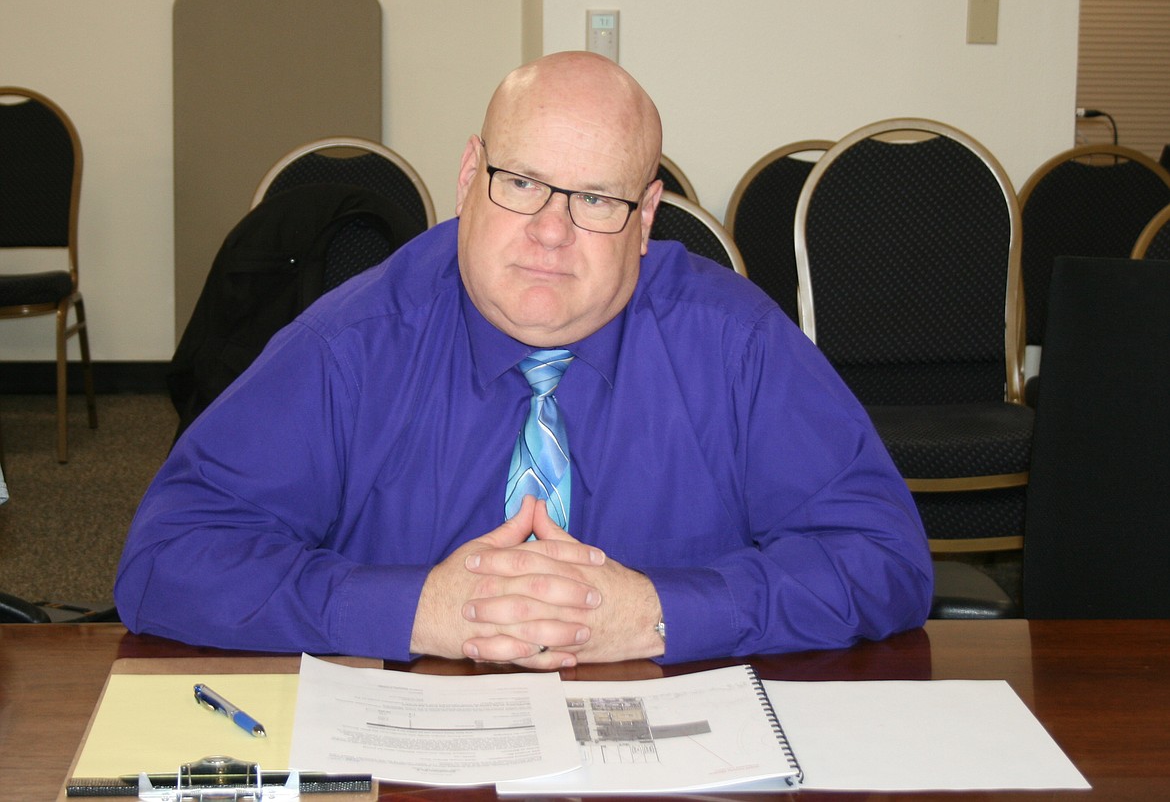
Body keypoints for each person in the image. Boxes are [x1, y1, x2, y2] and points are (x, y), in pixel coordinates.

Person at [115, 52, 932, 668]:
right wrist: (414, 610)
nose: (552, 229)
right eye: (522, 183)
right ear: (470, 176)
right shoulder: (354, 343)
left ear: (647, 217)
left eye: (596, 199)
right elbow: (168, 556)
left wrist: (662, 612)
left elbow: (884, 557)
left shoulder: (737, 345)